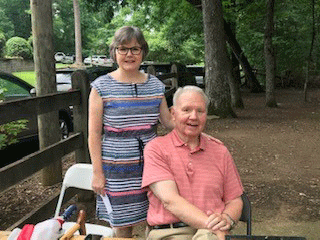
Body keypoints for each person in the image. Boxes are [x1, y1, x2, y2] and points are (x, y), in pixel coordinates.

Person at [88, 26, 174, 238]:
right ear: (114, 52)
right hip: (116, 168)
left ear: (143, 51)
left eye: (135, 49)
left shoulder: (155, 85)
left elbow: (168, 122)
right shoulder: (101, 87)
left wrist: (193, 122)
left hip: (152, 164)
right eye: (123, 49)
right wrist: (98, 172)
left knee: (155, 217)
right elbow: (94, 134)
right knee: (122, 225)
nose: (129, 55)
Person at [142, 86, 244, 240]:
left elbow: (234, 200)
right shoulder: (156, 149)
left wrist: (227, 219)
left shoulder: (219, 150)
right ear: (173, 114)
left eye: (200, 111)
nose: (194, 116)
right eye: (186, 110)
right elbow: (170, 200)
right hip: (170, 233)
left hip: (210, 234)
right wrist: (214, 227)